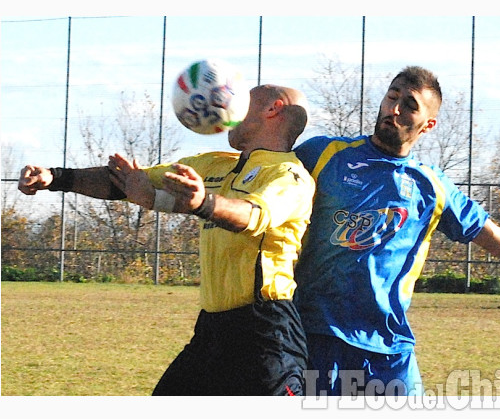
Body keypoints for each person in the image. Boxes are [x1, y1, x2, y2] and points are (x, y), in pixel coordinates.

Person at [291, 66, 500, 397]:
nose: (394, 110)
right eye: (391, 97)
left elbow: (498, 238)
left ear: (427, 124)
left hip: (389, 346)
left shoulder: (431, 186)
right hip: (318, 336)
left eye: (409, 105)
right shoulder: (322, 155)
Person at [18, 84, 315, 396]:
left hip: (265, 333)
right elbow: (127, 183)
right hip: (212, 330)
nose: (229, 108)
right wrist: (56, 177)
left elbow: (253, 216)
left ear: (273, 109)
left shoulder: (288, 176)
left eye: (241, 101)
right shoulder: (213, 165)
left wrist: (204, 204)